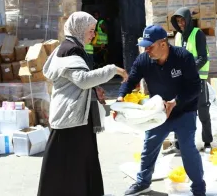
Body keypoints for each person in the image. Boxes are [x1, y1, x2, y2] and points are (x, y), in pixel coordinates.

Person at [37, 11, 128, 196]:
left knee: (78, 162)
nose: (93, 34)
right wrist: (112, 69)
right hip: (71, 118)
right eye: (91, 30)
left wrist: (95, 90)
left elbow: (78, 82)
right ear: (79, 29)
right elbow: (82, 79)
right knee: (68, 164)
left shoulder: (72, 47)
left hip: (76, 116)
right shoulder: (71, 49)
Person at [117, 25, 206, 196]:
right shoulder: (144, 60)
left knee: (187, 148)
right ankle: (143, 183)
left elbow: (195, 88)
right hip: (159, 112)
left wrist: (176, 102)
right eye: (144, 46)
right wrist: (120, 98)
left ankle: (198, 187)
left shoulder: (183, 57)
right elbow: (130, 80)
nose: (146, 50)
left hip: (184, 110)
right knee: (149, 146)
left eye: (150, 46)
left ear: (163, 44)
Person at [171, 7, 213, 150]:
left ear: (188, 19)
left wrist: (188, 70)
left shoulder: (198, 34)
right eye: (178, 21)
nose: (181, 23)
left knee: (202, 111)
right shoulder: (177, 36)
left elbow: (203, 57)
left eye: (183, 20)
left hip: (198, 79)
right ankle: (178, 143)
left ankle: (207, 142)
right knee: (179, 110)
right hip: (182, 81)